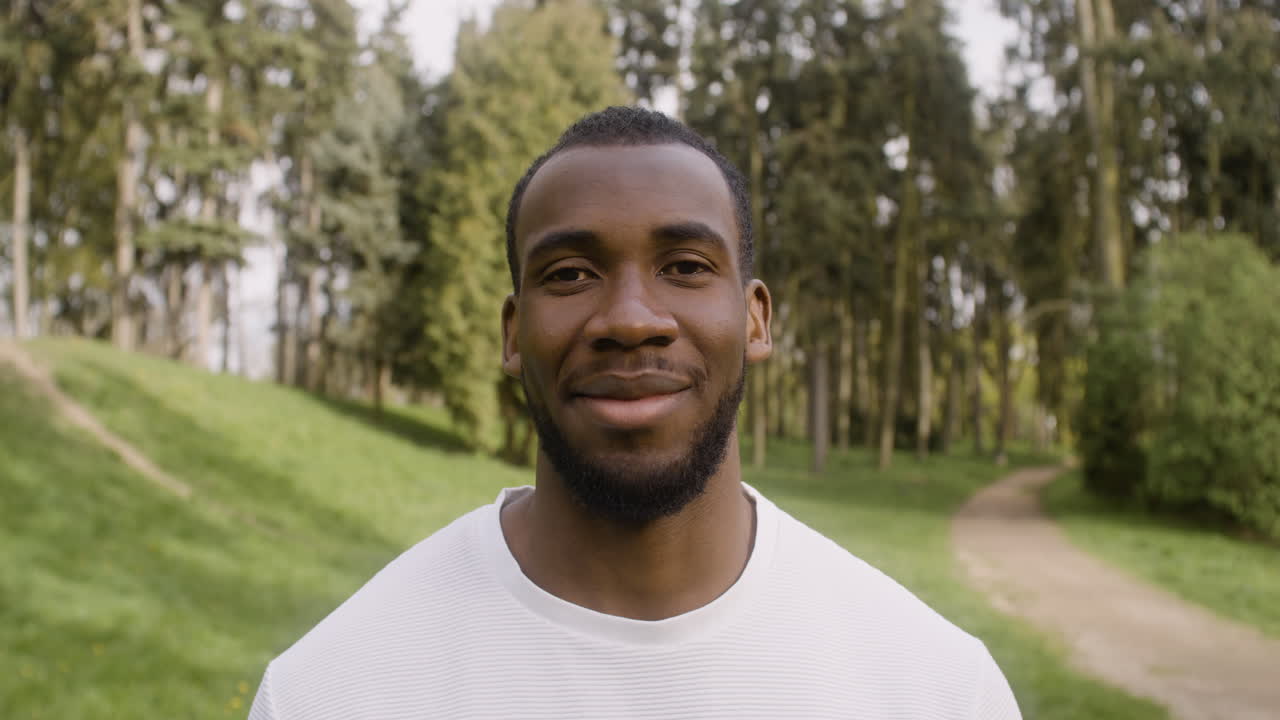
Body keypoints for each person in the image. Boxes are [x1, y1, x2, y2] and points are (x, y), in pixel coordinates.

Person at [248, 106, 1021, 720]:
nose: (629, 318)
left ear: (755, 320)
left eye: (685, 267)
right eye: (572, 272)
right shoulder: (330, 693)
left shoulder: (937, 690)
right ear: (514, 334)